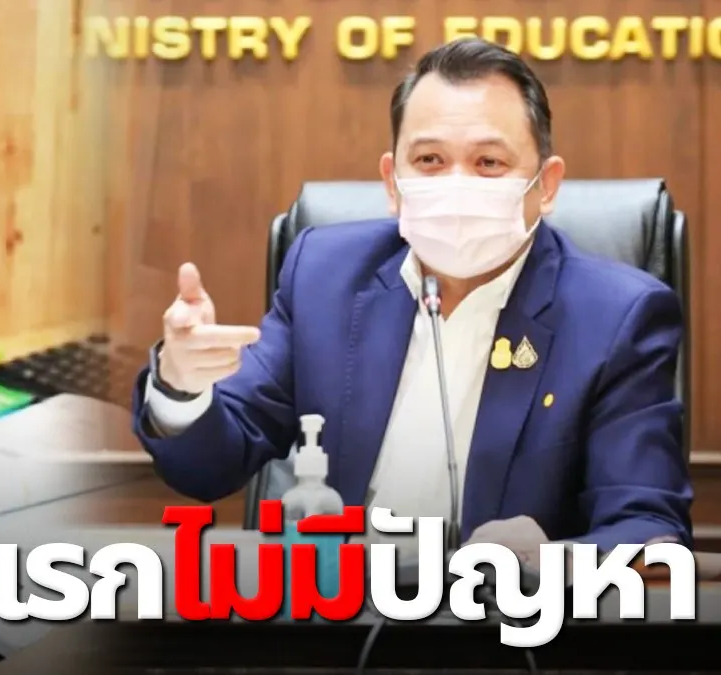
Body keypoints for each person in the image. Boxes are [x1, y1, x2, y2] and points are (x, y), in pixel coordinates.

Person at [131, 38, 693, 559]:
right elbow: (210, 467)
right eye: (429, 161)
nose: (456, 184)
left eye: (489, 163)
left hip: (510, 623)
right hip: (337, 611)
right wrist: (182, 388)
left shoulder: (616, 316)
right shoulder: (326, 276)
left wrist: (552, 562)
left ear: (545, 186)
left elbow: (648, 527)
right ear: (392, 182)